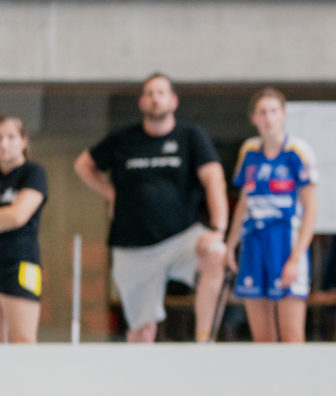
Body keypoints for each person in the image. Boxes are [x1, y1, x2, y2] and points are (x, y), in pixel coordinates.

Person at [74, 73, 228, 342]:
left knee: (216, 254)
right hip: (133, 245)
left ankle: (205, 340)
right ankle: (139, 379)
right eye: (149, 94)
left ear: (173, 100)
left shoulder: (190, 136)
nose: (155, 99)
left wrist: (218, 228)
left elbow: (214, 178)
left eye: (161, 93)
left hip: (181, 237)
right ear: (142, 102)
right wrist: (112, 194)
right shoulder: (124, 138)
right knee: (142, 331)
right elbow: (83, 165)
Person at [223, 89, 317, 343]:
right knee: (263, 339)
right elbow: (243, 204)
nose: (268, 118)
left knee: (291, 336)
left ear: (283, 115)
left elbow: (311, 210)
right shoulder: (249, 151)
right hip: (254, 243)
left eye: (274, 111)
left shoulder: (298, 151)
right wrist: (229, 246)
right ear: (254, 118)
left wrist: (296, 258)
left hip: (285, 242)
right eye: (262, 112)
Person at [0, 115, 47, 343]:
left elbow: (18, 216)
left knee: (23, 340)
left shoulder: (33, 173)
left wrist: (9, 215)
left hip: (21, 265)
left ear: (23, 141)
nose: (3, 144)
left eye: (10, 137)